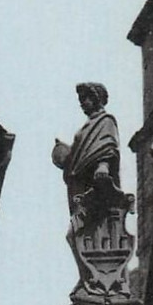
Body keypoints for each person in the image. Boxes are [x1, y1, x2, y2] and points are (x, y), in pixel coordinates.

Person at [52, 83, 121, 213]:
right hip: (79, 181)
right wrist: (64, 153)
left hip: (96, 177)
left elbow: (108, 145)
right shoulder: (84, 128)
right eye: (80, 100)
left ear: (95, 98)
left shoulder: (106, 120)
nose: (82, 103)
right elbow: (78, 153)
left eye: (85, 99)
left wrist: (103, 165)